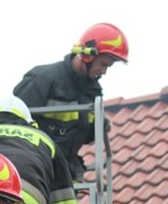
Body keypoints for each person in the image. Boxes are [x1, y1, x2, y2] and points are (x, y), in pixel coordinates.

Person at [13, 22, 129, 181]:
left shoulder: (93, 93)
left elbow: (82, 134)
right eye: (103, 64)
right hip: (34, 166)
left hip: (66, 172)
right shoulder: (45, 78)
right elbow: (14, 121)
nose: (104, 71)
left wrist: (98, 126)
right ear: (88, 55)